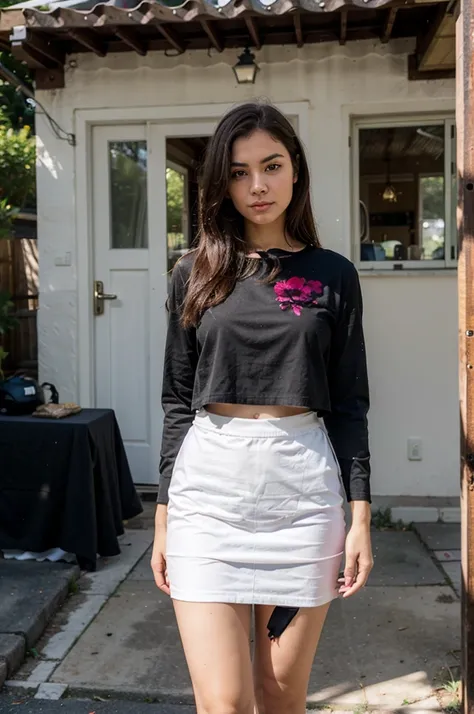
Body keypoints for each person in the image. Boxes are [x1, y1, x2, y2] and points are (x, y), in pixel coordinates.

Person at [151, 101, 374, 714]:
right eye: (240, 171)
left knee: (278, 696)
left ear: (295, 170)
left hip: (302, 499)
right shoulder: (193, 273)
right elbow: (177, 401)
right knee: (222, 702)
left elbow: (350, 405)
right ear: (221, 182)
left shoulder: (334, 275)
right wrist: (164, 521)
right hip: (208, 498)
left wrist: (360, 518)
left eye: (271, 166)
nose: (257, 186)